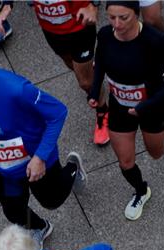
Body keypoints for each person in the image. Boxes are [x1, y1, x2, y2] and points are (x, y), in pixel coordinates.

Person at [0, 39, 87, 245]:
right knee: (13, 212)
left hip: (36, 158)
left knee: (52, 200)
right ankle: (40, 228)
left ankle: (72, 168)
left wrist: (39, 157)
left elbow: (58, 113)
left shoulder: (17, 90)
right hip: (2, 164)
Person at [88, 0, 164, 221]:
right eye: (112, 17)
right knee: (125, 161)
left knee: (156, 153)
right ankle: (141, 191)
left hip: (152, 107)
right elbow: (101, 62)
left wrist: (148, 104)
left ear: (136, 14)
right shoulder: (104, 35)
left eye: (123, 18)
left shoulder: (155, 41)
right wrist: (95, 92)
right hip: (120, 107)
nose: (117, 23)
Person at [30, 0, 111, 145]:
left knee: (85, 82)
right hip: (50, 28)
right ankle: (92, 74)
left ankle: (103, 111)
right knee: (71, 63)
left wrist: (93, 4)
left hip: (79, 27)